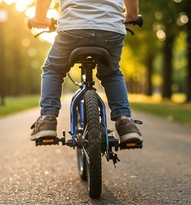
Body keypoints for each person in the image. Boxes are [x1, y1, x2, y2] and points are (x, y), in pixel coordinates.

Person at [29, 0, 142, 144]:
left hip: (73, 27)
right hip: (111, 28)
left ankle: (47, 119)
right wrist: (132, 16)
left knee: (54, 69)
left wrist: (39, 18)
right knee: (111, 74)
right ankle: (125, 123)